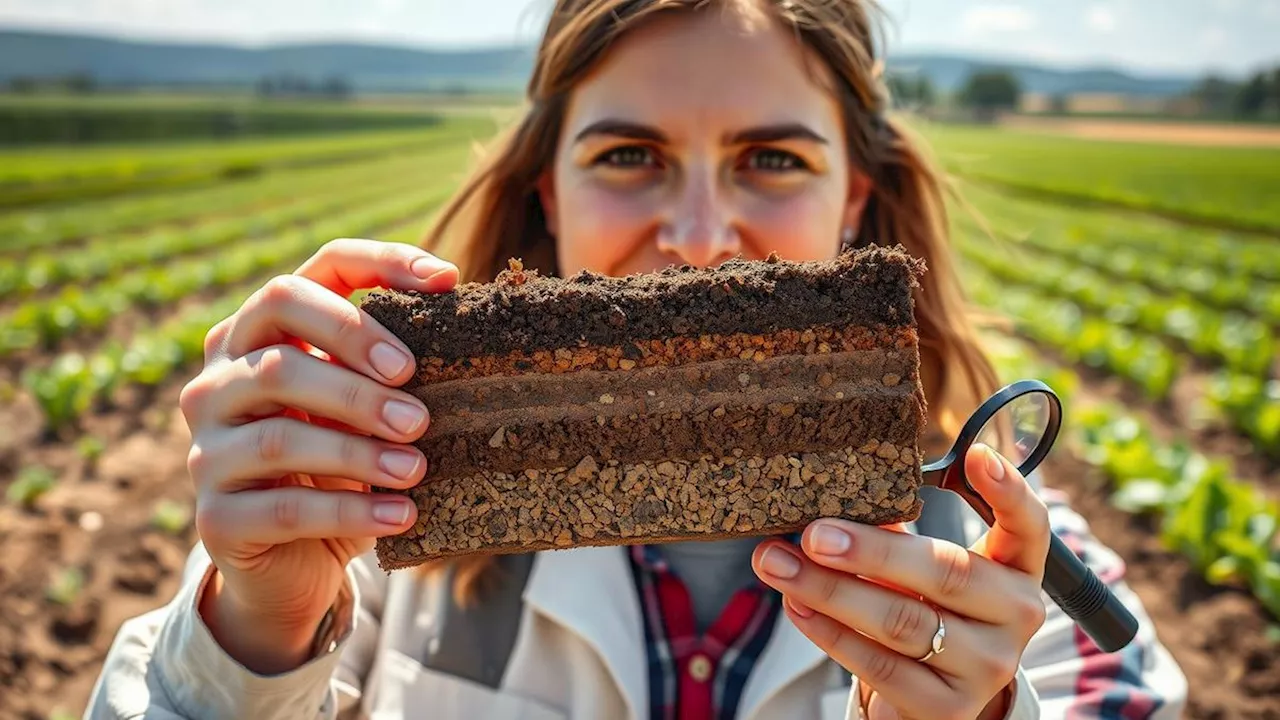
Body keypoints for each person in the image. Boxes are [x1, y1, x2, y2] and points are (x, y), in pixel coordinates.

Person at [84, 1, 1188, 718]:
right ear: (544, 197)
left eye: (769, 158)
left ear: (853, 204)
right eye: (627, 155)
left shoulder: (1009, 585)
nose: (700, 233)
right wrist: (253, 632)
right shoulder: (368, 527)